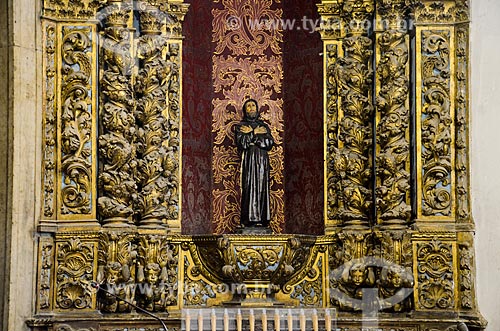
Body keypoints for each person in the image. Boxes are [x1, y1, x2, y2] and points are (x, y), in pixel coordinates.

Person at [234, 99, 274, 227]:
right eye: (248, 106)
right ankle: (249, 219)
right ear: (245, 110)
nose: (251, 108)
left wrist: (251, 135)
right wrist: (255, 133)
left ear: (257, 109)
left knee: (262, 188)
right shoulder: (240, 126)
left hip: (262, 160)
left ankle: (262, 219)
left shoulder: (264, 126)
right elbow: (242, 143)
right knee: (249, 187)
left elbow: (269, 143)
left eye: (253, 106)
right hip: (249, 159)